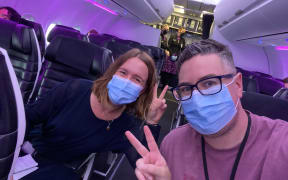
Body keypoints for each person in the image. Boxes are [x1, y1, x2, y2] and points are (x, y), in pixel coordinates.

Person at [126, 39, 288, 180]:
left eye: (209, 83)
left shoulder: (281, 146)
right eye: (186, 88)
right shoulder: (172, 144)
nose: (197, 98)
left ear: (238, 85)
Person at [23, 48, 168, 180]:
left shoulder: (127, 124)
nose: (126, 81)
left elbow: (143, 163)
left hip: (60, 170)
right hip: (28, 152)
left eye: (137, 79)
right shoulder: (75, 89)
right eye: (123, 73)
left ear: (142, 90)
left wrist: (151, 122)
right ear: (113, 73)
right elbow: (29, 117)